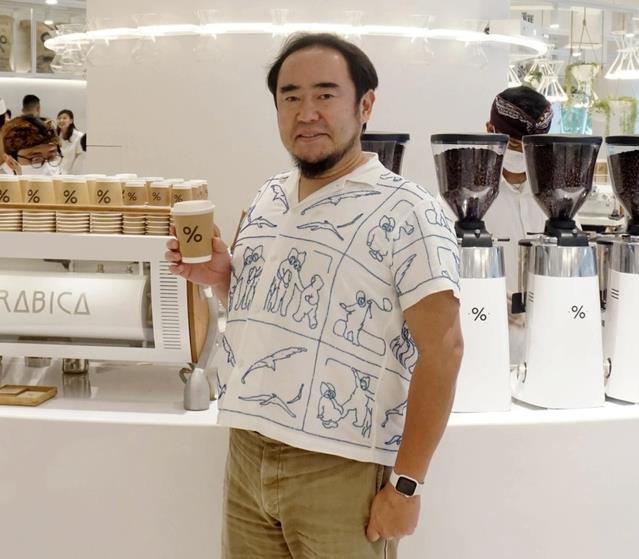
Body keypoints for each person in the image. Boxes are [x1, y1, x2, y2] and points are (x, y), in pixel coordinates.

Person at [166, 33, 463, 558]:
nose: (307, 113)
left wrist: (407, 485)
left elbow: (444, 349)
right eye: (291, 97)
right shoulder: (268, 196)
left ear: (364, 105)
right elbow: (266, 309)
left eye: (325, 94)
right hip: (248, 448)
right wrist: (221, 277)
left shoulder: (410, 210)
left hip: (342, 465)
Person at [482, 85, 553, 365]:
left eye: (531, 147)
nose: (522, 153)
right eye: (514, 145)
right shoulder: (467, 197)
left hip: (545, 340)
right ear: (490, 130)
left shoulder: (555, 197)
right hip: (485, 337)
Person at [56, 109, 84, 173]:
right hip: (55, 172)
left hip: (71, 174)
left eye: (64, 118)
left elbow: (80, 158)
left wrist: (72, 174)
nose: (61, 120)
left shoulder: (79, 136)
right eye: (59, 118)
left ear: (71, 121)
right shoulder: (55, 135)